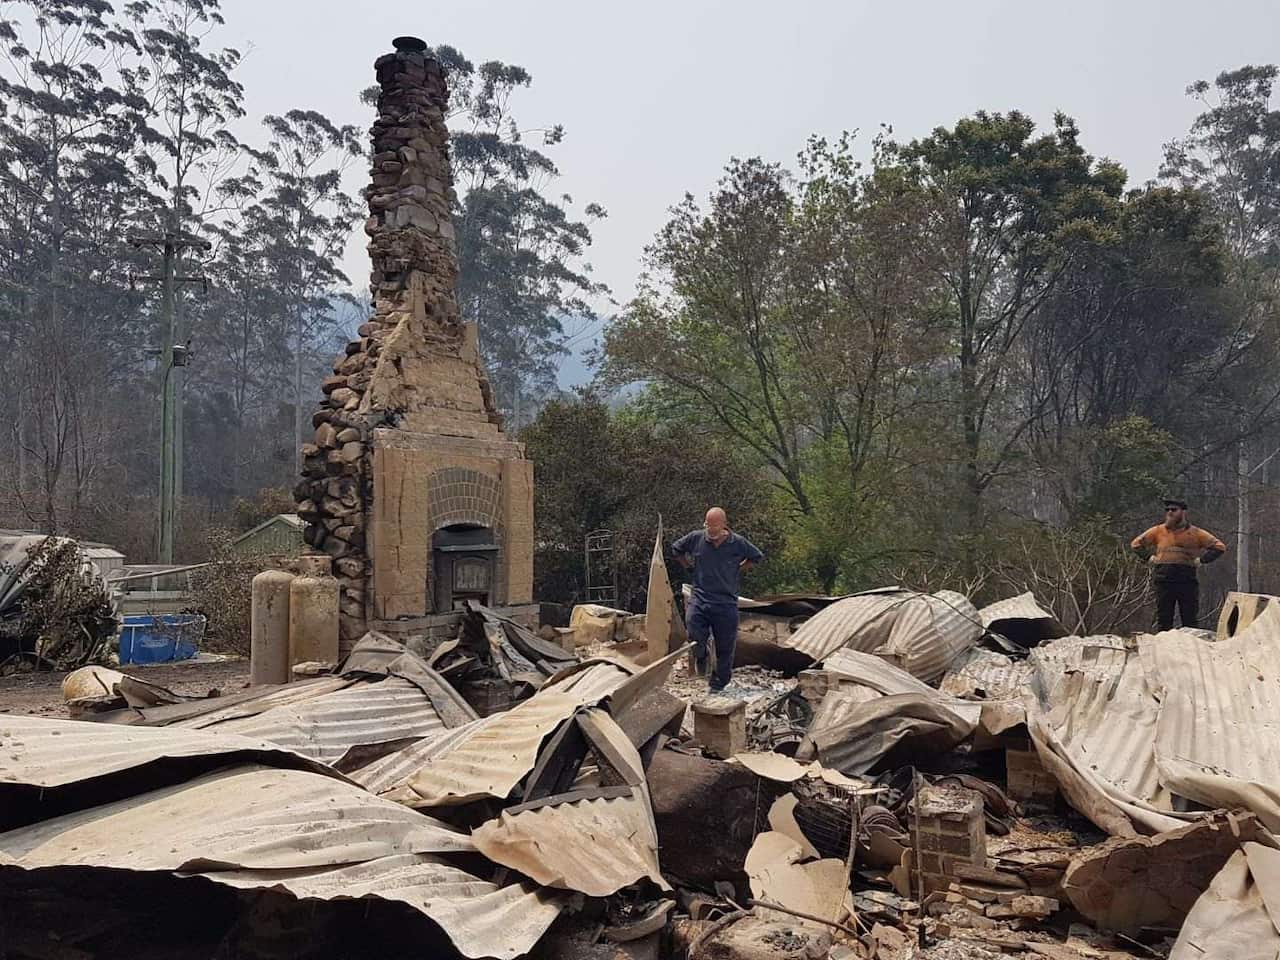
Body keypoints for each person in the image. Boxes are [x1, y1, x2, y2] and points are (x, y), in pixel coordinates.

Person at [670, 507, 764, 693]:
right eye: (708, 527)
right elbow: (676, 549)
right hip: (700, 597)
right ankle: (701, 656)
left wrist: (737, 569)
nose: (711, 532)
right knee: (694, 629)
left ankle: (718, 684)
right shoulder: (697, 538)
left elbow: (756, 556)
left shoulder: (737, 543)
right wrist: (688, 567)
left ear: (724, 525)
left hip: (726, 601)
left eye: (714, 527)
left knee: (725, 646)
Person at [1130, 498, 1226, 631]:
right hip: (1164, 580)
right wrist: (1149, 558)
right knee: (1164, 619)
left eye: (1174, 510)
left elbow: (1219, 547)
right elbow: (1136, 544)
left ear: (1183, 512)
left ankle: (1191, 649)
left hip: (1186, 580)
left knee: (1189, 619)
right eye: (1167, 510)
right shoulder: (1158, 531)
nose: (1170, 512)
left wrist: (1202, 560)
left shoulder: (1195, 533)